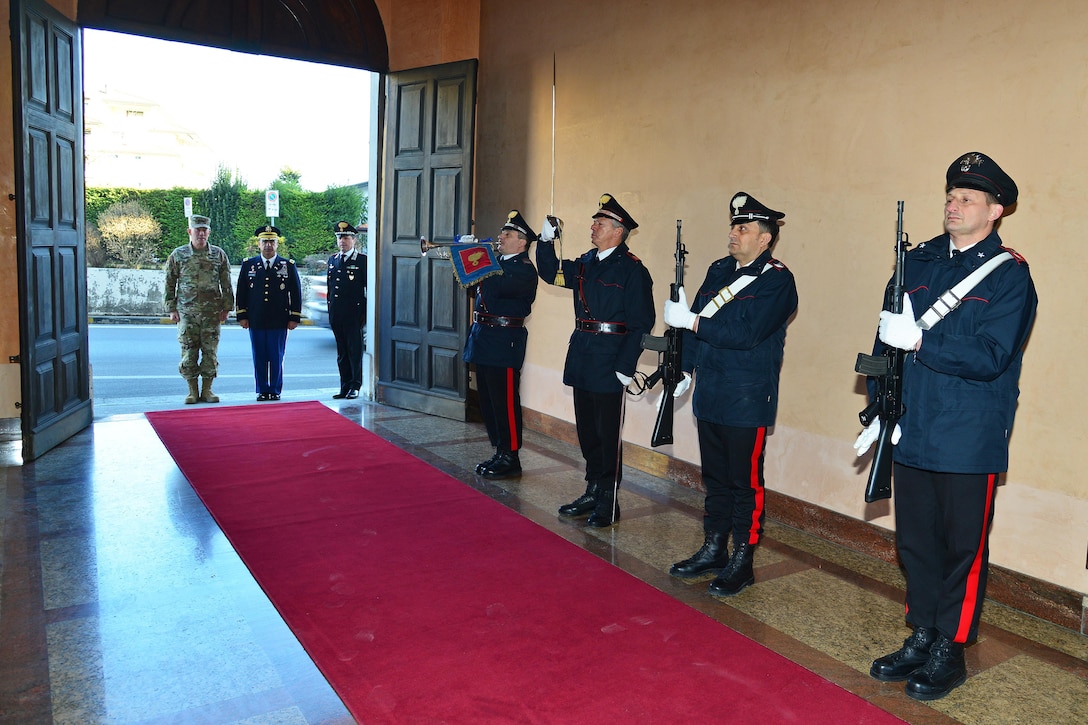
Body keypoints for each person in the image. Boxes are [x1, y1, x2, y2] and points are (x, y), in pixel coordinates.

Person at [855, 152, 1037, 701]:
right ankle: (923, 633)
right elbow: (886, 335)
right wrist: (876, 404)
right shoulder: (920, 261)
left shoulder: (1009, 275)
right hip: (911, 424)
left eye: (968, 199)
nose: (953, 206)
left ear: (996, 210)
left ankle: (951, 647)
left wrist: (923, 340)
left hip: (968, 431)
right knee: (915, 542)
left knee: (962, 547)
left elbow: (992, 354)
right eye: (951, 197)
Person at [662, 192, 798, 598]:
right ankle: (714, 547)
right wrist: (685, 367)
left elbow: (745, 334)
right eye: (733, 226)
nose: (733, 233)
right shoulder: (719, 269)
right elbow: (692, 325)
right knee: (716, 478)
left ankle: (743, 558)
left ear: (765, 239)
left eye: (743, 228)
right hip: (712, 390)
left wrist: (693, 322)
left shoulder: (777, 281)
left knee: (745, 481)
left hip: (747, 395)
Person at [536, 194, 655, 527]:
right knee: (588, 430)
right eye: (595, 222)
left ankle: (608, 498)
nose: (593, 227)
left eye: (599, 223)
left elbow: (641, 322)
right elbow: (550, 274)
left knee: (607, 432)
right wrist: (546, 240)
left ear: (618, 231)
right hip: (584, 355)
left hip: (611, 360)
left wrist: (626, 366)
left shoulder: (632, 270)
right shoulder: (586, 263)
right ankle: (592, 488)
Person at [464, 210, 539, 478]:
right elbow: (473, 287)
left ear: (522, 242)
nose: (500, 237)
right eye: (501, 233)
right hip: (484, 337)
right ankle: (499, 450)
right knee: (488, 400)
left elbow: (496, 286)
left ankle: (511, 455)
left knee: (505, 401)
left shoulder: (523, 269)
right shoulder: (496, 262)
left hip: (504, 341)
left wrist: (476, 256)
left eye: (507, 234)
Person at [163, 214, 234, 404]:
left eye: (204, 230)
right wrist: (171, 308)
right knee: (188, 351)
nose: (201, 234)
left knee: (210, 352)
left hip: (212, 313)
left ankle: (208, 390)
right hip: (187, 312)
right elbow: (169, 282)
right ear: (190, 231)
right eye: (197, 230)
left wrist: (227, 307)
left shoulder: (218, 254)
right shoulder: (178, 255)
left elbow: (226, 282)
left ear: (209, 232)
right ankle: (192, 391)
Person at [235, 225, 303, 401]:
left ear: (277, 244)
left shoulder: (287, 266)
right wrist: (242, 315)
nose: (268, 245)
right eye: (264, 241)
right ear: (258, 244)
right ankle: (262, 390)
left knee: (276, 356)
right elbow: (241, 292)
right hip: (256, 319)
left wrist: (294, 317)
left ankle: (274, 389)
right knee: (259, 356)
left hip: (279, 320)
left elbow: (295, 293)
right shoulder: (249, 265)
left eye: (272, 241)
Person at [327, 221, 368, 399]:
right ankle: (344, 386)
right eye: (339, 238)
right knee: (342, 353)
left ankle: (355, 386)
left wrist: (364, 314)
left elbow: (368, 290)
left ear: (353, 240)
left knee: (354, 352)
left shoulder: (362, 261)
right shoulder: (333, 260)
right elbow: (331, 289)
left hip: (354, 314)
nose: (342, 241)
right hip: (337, 314)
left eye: (345, 238)